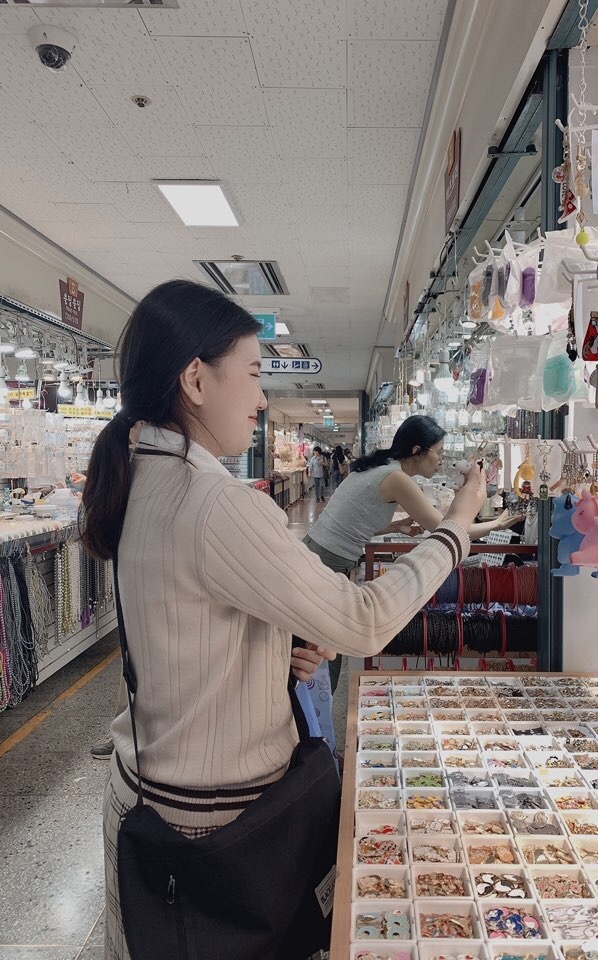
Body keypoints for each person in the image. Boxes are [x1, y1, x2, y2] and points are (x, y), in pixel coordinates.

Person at [80, 279, 484, 958]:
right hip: (216, 836)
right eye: (255, 374)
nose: (263, 398)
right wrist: (456, 531)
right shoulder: (214, 501)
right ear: (196, 379)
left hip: (148, 801)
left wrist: (277, 643)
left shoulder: (139, 472)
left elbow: (184, 620)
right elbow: (363, 621)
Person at [305, 415, 522, 694]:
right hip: (329, 562)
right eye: (439, 453)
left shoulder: (380, 467)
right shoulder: (397, 479)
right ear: (418, 451)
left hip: (319, 553)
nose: (441, 460)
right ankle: (316, 727)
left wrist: (394, 526)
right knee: (324, 651)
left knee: (320, 646)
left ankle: (314, 720)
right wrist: (496, 524)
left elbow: (351, 517)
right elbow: (446, 529)